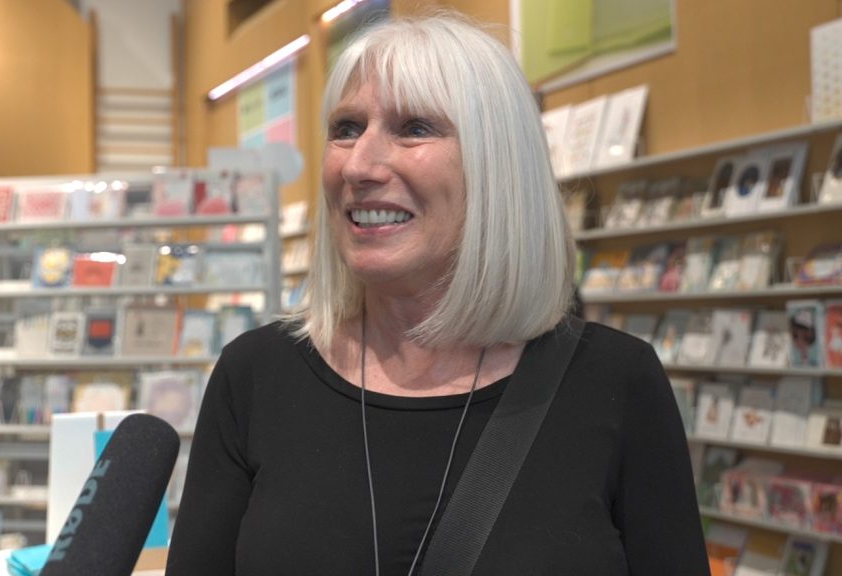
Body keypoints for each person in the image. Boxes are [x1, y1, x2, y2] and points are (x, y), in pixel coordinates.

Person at [167, 12, 709, 576]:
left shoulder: (616, 382)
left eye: (414, 127)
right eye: (347, 128)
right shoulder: (255, 377)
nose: (359, 164)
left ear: (496, 165)